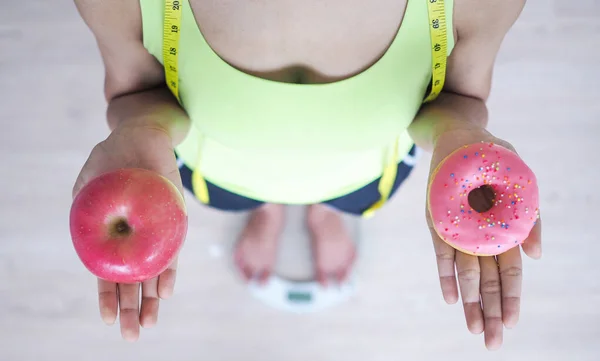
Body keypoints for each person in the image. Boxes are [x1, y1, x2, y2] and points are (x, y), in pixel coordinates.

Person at [73, 0, 542, 349]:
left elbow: (460, 99)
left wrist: (458, 131)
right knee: (251, 195)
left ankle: (320, 210)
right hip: (225, 174)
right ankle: (271, 208)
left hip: (360, 176)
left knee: (340, 196)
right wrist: (142, 129)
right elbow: (132, 90)